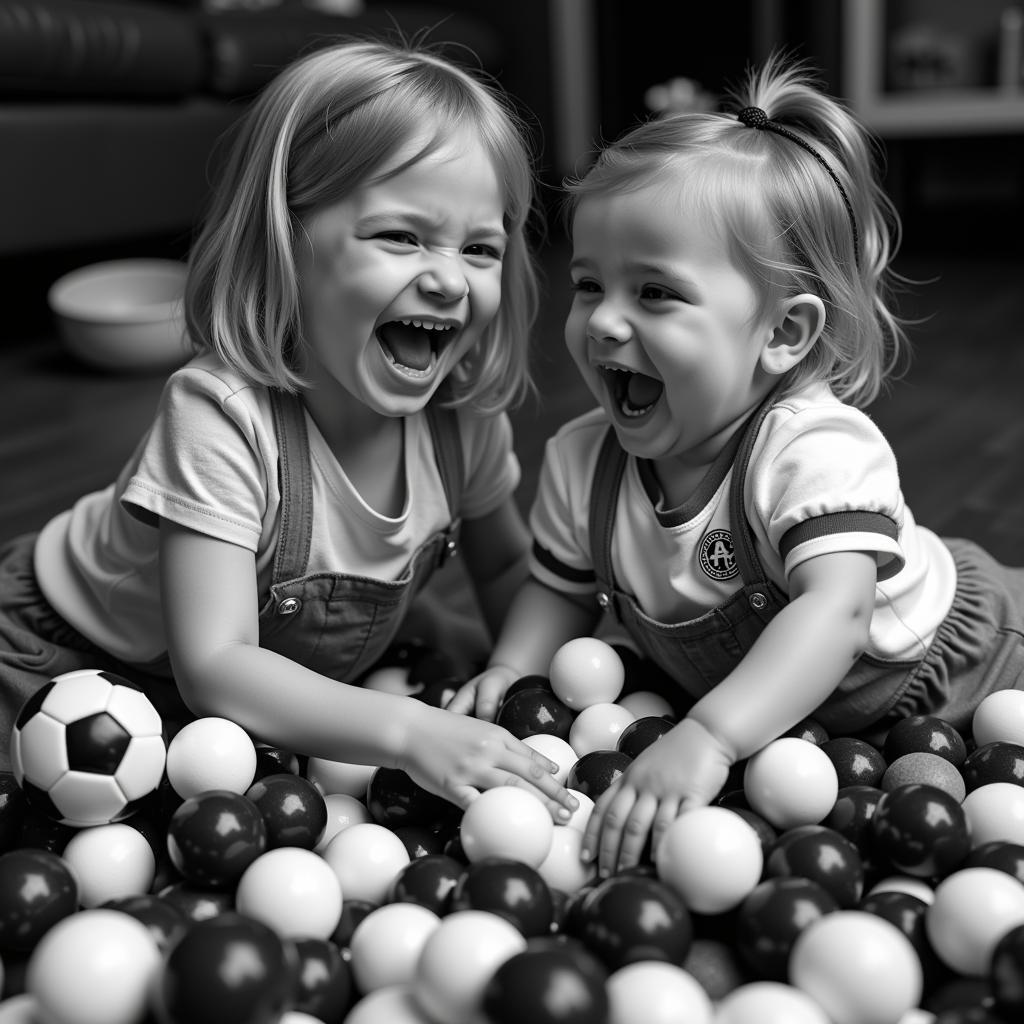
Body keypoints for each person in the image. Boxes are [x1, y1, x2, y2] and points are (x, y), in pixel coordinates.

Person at [449, 55, 1024, 872]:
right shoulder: (586, 460)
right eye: (587, 285)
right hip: (820, 736)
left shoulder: (809, 447)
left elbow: (836, 614)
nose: (605, 323)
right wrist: (511, 670)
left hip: (970, 667)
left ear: (783, 334)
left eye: (654, 294)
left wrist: (710, 736)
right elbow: (558, 590)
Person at [0, 38, 579, 821]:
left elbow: (509, 571)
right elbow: (217, 665)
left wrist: (526, 682)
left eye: (479, 248)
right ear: (289, 241)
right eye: (401, 237)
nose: (447, 277)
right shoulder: (222, 416)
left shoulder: (461, 424)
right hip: (66, 656)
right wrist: (413, 734)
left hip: (261, 684)